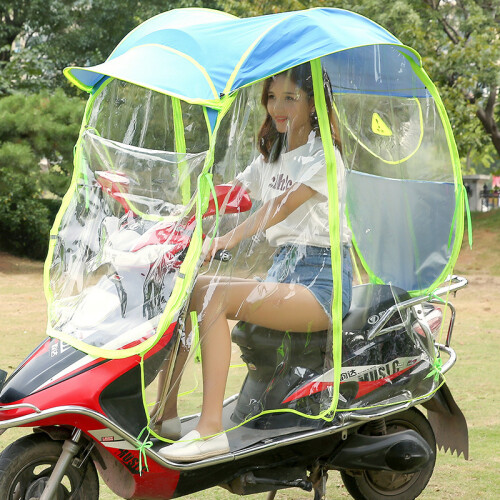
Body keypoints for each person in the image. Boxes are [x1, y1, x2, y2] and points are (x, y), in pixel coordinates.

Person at [157, 63, 353, 462]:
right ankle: (166, 418)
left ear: (313, 102)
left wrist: (225, 239)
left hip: (320, 282)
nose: (277, 108)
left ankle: (210, 428)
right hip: (283, 270)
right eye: (271, 97)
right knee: (186, 290)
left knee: (212, 294)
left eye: (289, 98)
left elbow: (278, 208)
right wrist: (177, 221)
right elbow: (233, 193)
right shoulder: (273, 154)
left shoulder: (324, 156)